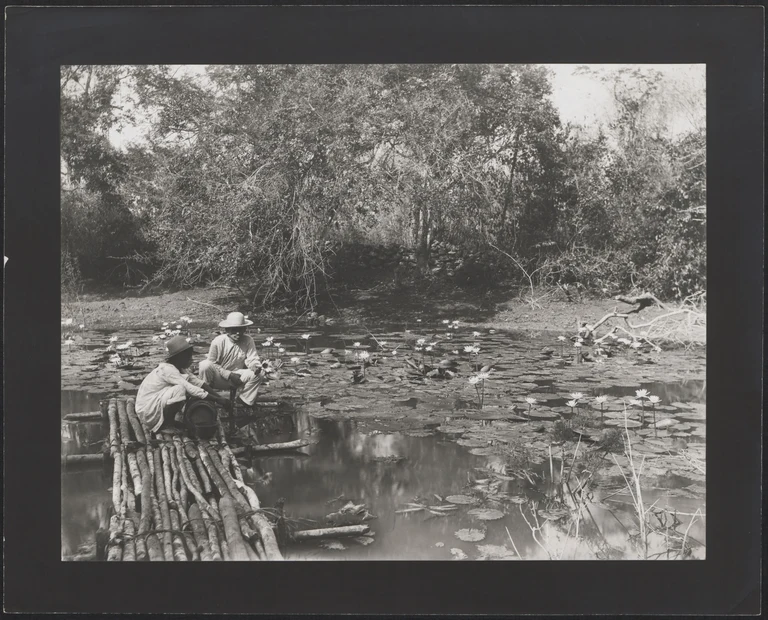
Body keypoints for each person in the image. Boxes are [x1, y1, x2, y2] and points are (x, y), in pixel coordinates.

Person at [135, 335, 229, 433]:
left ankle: (168, 422)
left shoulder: (181, 369)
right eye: (188, 357)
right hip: (147, 411)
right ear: (178, 358)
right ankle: (166, 425)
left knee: (181, 389)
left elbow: (199, 384)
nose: (191, 360)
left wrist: (218, 397)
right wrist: (217, 399)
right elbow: (191, 389)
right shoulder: (167, 369)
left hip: (154, 404)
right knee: (180, 389)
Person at [199, 311, 281, 408]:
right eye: (234, 330)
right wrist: (229, 374)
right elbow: (212, 363)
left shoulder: (248, 340)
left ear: (245, 329)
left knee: (260, 373)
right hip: (218, 377)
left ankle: (243, 400)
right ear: (227, 330)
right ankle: (208, 396)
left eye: (241, 329)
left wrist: (255, 366)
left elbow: (252, 358)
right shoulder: (218, 341)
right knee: (204, 365)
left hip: (238, 376)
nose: (238, 333)